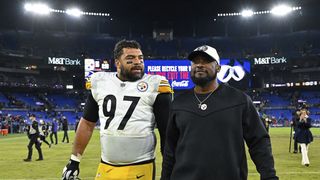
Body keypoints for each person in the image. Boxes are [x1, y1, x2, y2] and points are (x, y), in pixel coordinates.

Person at [161, 45, 278, 180]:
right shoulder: (179, 103)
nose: (199, 65)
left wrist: (269, 176)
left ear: (218, 67)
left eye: (206, 61)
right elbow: (170, 150)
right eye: (195, 62)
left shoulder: (239, 100)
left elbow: (258, 141)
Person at [62, 40, 172, 180]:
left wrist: (170, 169)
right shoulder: (101, 82)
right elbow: (87, 124)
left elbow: (167, 132)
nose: (138, 62)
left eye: (140, 58)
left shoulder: (155, 85)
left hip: (140, 167)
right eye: (130, 59)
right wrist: (74, 161)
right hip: (106, 166)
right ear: (117, 63)